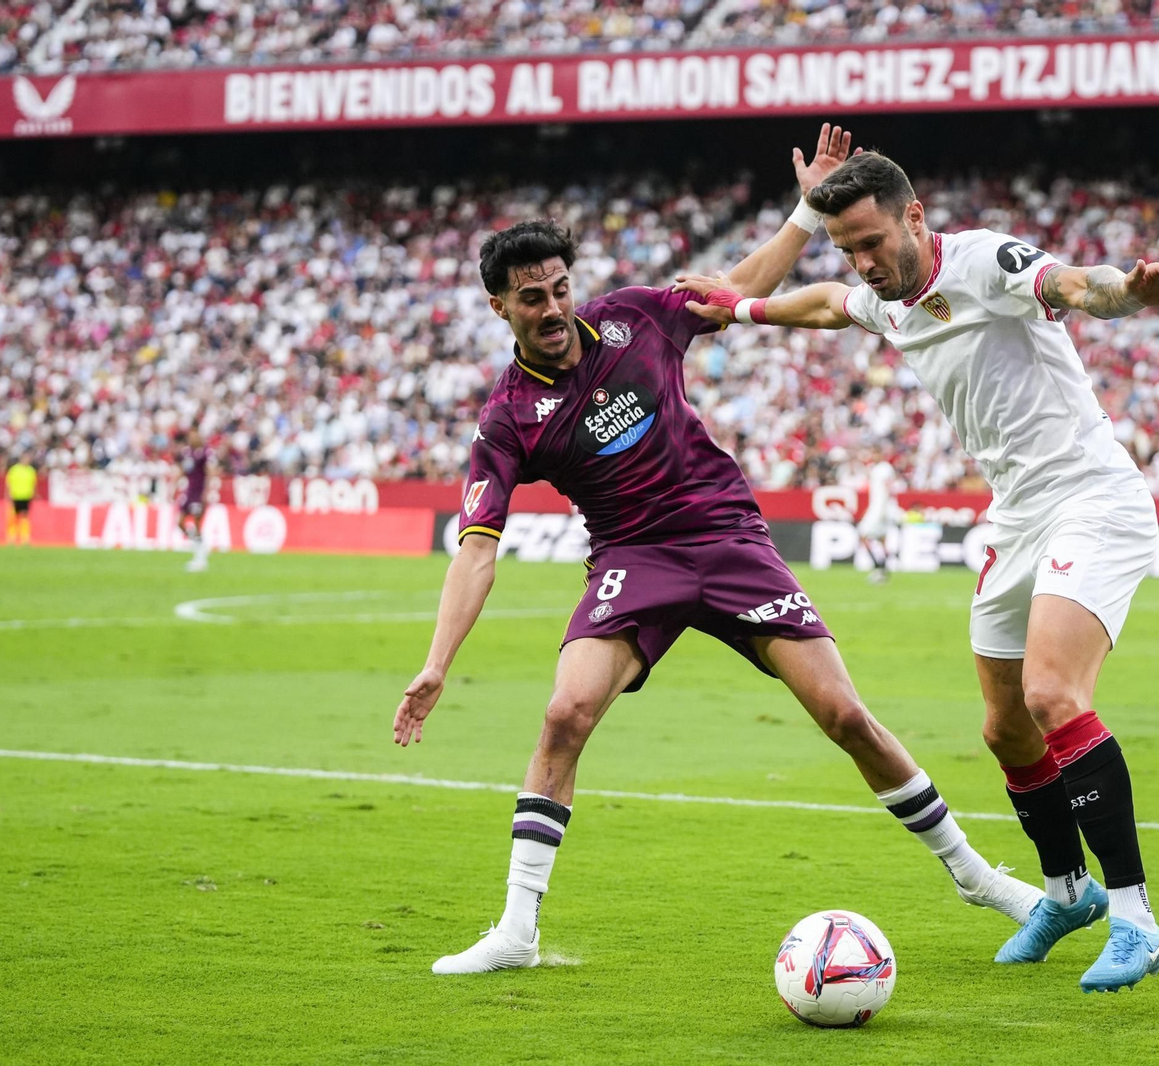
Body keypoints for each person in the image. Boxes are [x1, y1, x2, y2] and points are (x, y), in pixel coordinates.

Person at [392, 127, 1044, 977]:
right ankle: (517, 928)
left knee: (846, 716)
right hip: (634, 559)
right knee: (563, 714)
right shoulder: (507, 418)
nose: (552, 310)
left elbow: (736, 290)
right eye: (531, 300)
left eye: (559, 289)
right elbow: (476, 551)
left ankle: (977, 877)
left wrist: (810, 209)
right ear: (499, 309)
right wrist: (439, 662)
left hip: (728, 539)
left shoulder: (633, 318)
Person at [675, 150, 1159, 993]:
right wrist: (749, 305)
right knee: (1004, 730)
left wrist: (1133, 292)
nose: (865, 264)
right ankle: (1067, 894)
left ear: (915, 217)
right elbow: (828, 308)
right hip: (1015, 515)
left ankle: (1137, 918)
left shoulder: (984, 260)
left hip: (1090, 497)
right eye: (849, 250)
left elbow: (1073, 285)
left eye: (874, 242)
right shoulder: (887, 300)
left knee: (1053, 695)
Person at [857, 457, 897, 583]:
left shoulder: (882, 469)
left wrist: (881, 510)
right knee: (882, 539)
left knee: (863, 535)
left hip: (880, 509)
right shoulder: (883, 469)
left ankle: (879, 567)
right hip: (881, 508)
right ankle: (883, 569)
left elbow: (886, 488)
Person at [178, 430, 213, 573]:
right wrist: (175, 486)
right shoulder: (187, 453)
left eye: (194, 437)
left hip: (198, 493)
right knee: (180, 522)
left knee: (197, 522)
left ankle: (200, 558)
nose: (192, 440)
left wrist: (207, 491)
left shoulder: (204, 453)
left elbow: (209, 472)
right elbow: (183, 471)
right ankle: (200, 545)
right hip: (188, 492)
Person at [5, 453, 37, 545]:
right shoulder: (14, 470)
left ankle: (25, 538)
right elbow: (8, 483)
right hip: (15, 496)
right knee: (13, 518)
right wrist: (8, 494)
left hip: (26, 497)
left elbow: (34, 483)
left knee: (24, 518)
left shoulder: (31, 470)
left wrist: (34, 493)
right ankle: (11, 537)